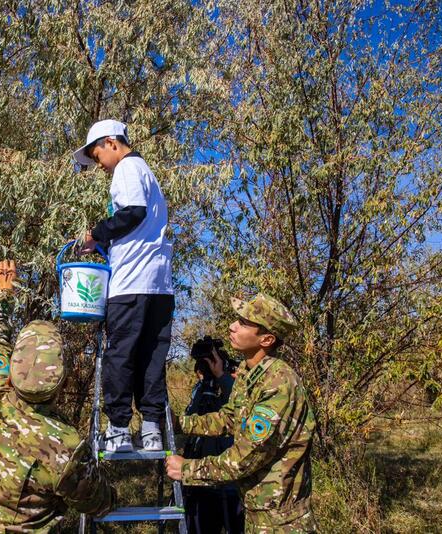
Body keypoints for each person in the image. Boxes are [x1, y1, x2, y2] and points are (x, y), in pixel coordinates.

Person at [0, 260, 116, 533]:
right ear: (63, 384)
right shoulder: (64, 447)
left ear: (10, 374)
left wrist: (4, 295)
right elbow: (99, 503)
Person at [165, 293, 317, 533]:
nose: (232, 326)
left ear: (266, 339)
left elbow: (243, 459)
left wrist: (186, 469)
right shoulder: (249, 373)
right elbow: (229, 418)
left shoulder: (278, 384)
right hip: (258, 511)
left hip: (282, 522)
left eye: (244, 323)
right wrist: (179, 423)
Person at [73, 119, 174, 453]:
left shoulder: (127, 168)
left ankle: (118, 430)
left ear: (112, 143)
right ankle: (151, 429)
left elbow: (132, 212)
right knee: (151, 357)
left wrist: (96, 234)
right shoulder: (146, 173)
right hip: (159, 286)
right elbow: (140, 222)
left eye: (97, 155)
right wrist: (104, 243)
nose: (99, 165)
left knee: (121, 355)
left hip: (131, 283)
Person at [183, 337, 244, 533]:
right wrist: (205, 384)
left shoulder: (235, 384)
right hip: (201, 478)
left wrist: (222, 377)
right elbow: (191, 420)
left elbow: (239, 411)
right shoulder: (201, 389)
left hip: (230, 479)